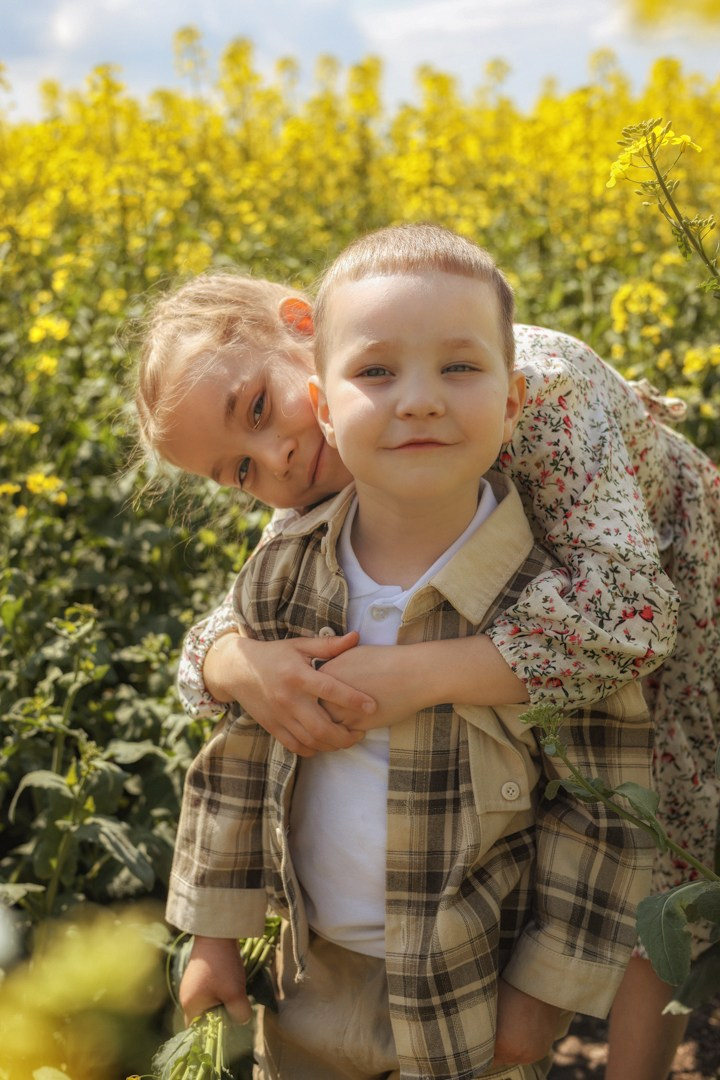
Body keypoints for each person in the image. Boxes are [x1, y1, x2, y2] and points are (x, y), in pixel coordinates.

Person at [135, 237, 720, 1080]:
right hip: (568, 612)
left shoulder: (532, 382)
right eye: (238, 472)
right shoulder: (331, 454)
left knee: (654, 819)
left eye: (258, 409)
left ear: (300, 328)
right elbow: (225, 632)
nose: (278, 463)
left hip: (660, 572)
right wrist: (237, 664)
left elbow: (627, 618)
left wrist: (413, 676)